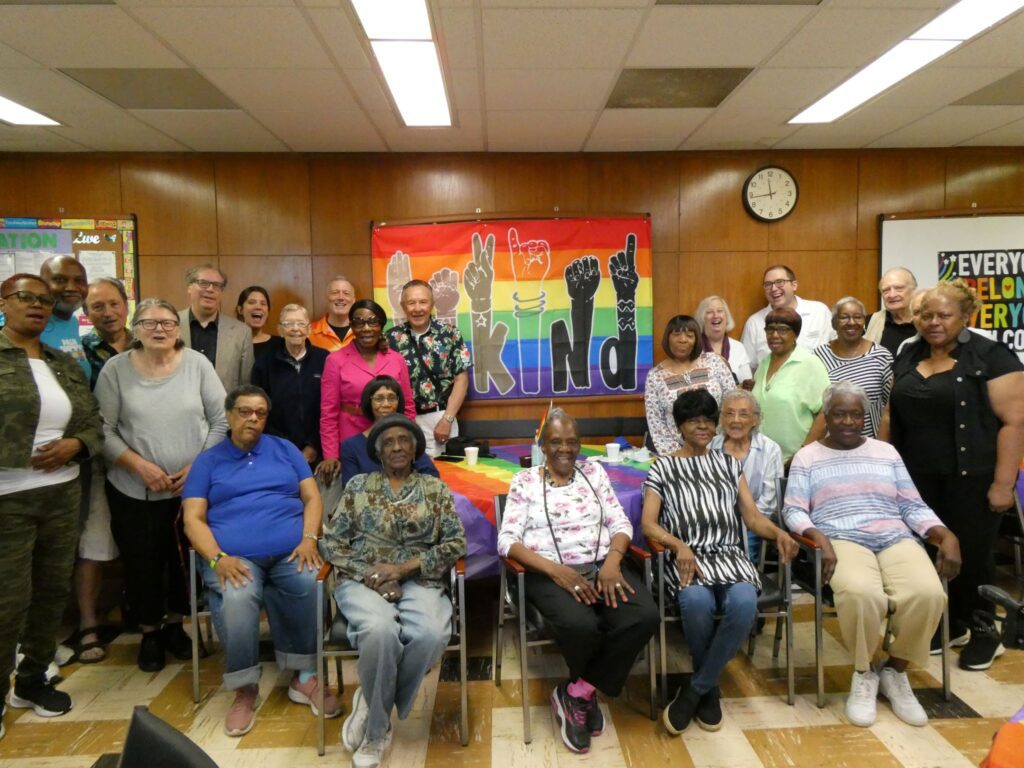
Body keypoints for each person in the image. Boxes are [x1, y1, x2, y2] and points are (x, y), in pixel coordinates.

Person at [784, 382, 960, 728]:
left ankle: (895, 669)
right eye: (840, 414)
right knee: (862, 594)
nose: (848, 421)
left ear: (865, 417)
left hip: (894, 535)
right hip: (840, 539)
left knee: (928, 594)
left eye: (855, 414)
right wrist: (818, 536)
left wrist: (944, 534)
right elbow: (793, 510)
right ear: (827, 417)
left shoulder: (886, 452)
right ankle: (864, 672)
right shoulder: (808, 456)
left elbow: (910, 504)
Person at [497, 408, 659, 754]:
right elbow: (507, 540)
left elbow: (620, 523)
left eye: (572, 442)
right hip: (549, 573)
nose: (565, 449)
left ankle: (577, 693)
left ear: (580, 445)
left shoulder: (594, 472)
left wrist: (613, 562)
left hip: (603, 566)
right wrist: (556, 571)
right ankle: (586, 697)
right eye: (555, 442)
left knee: (644, 616)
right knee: (582, 626)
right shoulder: (524, 481)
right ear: (542, 445)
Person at [183, 385, 341, 737]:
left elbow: (312, 497)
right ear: (228, 415)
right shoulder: (208, 461)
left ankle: (305, 677)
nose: (253, 418)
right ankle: (244, 688)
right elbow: (192, 518)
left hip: (292, 551)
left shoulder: (284, 450)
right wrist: (218, 558)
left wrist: (309, 538)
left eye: (260, 413)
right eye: (244, 411)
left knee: (308, 581)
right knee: (238, 596)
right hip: (233, 558)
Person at [641, 389, 797, 735]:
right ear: (680, 426)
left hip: (729, 554)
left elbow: (752, 517)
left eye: (709, 421)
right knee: (695, 600)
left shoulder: (728, 465)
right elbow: (649, 523)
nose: (703, 427)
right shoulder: (664, 467)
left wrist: (778, 534)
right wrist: (678, 543)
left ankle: (698, 687)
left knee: (743, 603)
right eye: (694, 421)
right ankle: (708, 688)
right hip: (688, 558)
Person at [888, 279, 1024, 671]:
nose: (933, 322)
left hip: (974, 476)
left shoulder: (991, 356)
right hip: (917, 478)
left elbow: (1014, 423)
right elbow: (892, 412)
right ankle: (947, 625)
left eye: (944, 315)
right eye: (925, 315)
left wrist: (1003, 484)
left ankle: (984, 629)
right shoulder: (909, 352)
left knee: (974, 555)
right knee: (930, 551)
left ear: (966, 315)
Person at [322, 414, 466, 768]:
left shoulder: (433, 489)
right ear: (378, 452)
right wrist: (372, 574)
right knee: (380, 631)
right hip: (362, 581)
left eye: (405, 440)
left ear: (416, 448)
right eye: (388, 442)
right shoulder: (358, 487)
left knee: (433, 633)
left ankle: (373, 700)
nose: (398, 446)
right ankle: (376, 733)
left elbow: (456, 543)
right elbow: (334, 543)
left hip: (420, 579)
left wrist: (403, 569)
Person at [95, 298, 228, 672]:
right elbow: (102, 429)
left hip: (191, 487)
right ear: (135, 329)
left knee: (183, 560)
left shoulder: (197, 365)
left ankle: (175, 625)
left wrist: (197, 467)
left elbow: (221, 420)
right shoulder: (115, 369)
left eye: (168, 323)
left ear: (178, 329)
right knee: (142, 562)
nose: (160, 329)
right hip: (134, 487)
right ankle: (149, 632)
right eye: (150, 323)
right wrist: (139, 466)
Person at [0, 273, 102, 730]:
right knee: (8, 599)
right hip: (7, 496)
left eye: (44, 300)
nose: (37, 306)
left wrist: (76, 444)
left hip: (61, 491)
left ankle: (32, 679)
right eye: (26, 297)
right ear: (4, 302)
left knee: (51, 591)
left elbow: (92, 421)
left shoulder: (62, 362)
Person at [69, 277, 134, 664]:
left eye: (114, 304)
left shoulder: (148, 342)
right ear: (86, 313)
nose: (107, 312)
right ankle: (88, 623)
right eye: (98, 307)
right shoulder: (78, 352)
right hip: (98, 459)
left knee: (142, 542)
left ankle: (140, 611)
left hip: (148, 460)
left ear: (127, 306)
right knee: (93, 545)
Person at [318, 299, 416, 484]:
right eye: (359, 322)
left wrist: (409, 443)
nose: (366, 328)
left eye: (372, 321)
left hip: (391, 438)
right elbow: (328, 413)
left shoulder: (396, 359)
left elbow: (408, 407)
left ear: (380, 325)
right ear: (351, 326)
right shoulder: (335, 360)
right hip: (352, 437)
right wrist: (331, 454)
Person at [385, 280, 471, 457]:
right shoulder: (391, 338)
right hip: (404, 419)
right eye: (411, 303)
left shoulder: (450, 333)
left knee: (448, 476)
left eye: (423, 302)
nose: (418, 308)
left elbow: (461, 379)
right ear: (403, 306)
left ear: (432, 304)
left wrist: (447, 419)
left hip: (442, 417)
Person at [710, 389, 784, 561]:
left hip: (753, 527)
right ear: (721, 418)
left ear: (755, 419)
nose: (735, 420)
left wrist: (747, 524)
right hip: (713, 526)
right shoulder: (711, 447)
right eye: (729, 413)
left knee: (736, 564)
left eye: (743, 414)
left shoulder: (770, 449)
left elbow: (769, 500)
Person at [644, 315, 735, 456]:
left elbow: (732, 403)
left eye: (689, 335)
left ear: (696, 340)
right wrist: (679, 457)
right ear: (667, 338)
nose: (683, 339)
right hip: (678, 455)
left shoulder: (714, 362)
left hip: (719, 449)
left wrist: (717, 449)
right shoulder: (655, 376)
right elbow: (656, 423)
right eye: (676, 334)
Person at [251, 304, 328, 468]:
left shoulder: (324, 359)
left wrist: (313, 445)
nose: (295, 329)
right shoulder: (265, 362)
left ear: (308, 329)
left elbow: (330, 407)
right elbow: (259, 408)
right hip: (278, 449)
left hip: (319, 451)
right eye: (288, 324)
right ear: (279, 329)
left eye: (301, 324)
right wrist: (287, 447)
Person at [751, 307, 831, 463]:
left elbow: (826, 411)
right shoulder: (764, 363)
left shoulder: (809, 363)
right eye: (770, 330)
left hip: (798, 461)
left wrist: (804, 453)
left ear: (795, 334)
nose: (774, 335)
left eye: (782, 330)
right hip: (762, 461)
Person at [814, 297, 893, 439]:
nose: (852, 323)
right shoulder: (819, 355)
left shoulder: (881, 356)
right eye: (844, 317)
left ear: (864, 322)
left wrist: (883, 445)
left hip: (870, 443)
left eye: (858, 317)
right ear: (833, 323)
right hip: (829, 443)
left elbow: (890, 406)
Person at [340, 376, 439, 488]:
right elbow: (350, 489)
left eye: (392, 398)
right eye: (379, 399)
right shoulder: (350, 446)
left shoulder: (409, 438)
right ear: (369, 402)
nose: (386, 404)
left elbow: (431, 475)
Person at [740, 264, 833, 372]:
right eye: (768, 284)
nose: (773, 288)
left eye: (780, 282)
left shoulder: (819, 312)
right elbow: (750, 367)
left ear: (794, 285)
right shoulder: (754, 322)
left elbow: (836, 349)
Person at [178, 264, 254, 393]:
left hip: (224, 410)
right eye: (203, 283)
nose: (210, 289)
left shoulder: (241, 332)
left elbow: (246, 384)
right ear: (189, 287)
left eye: (217, 285)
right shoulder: (170, 325)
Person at [39, 254, 91, 380]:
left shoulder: (73, 322)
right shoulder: (32, 325)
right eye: (60, 280)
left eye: (79, 281)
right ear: (41, 285)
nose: (72, 288)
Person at [695, 295, 752, 387]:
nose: (716, 315)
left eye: (720, 311)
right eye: (709, 312)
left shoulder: (738, 347)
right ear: (702, 318)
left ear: (726, 317)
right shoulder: (693, 348)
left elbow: (747, 384)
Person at [865, 268, 918, 357]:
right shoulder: (869, 323)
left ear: (914, 290)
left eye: (899, 288)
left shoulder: (928, 323)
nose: (892, 295)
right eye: (886, 290)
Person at [309, 275, 357, 352]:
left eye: (346, 293)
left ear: (353, 300)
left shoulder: (363, 331)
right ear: (326, 298)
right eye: (335, 293)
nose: (341, 297)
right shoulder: (309, 332)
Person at [236, 285, 275, 365]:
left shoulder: (279, 345)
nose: (258, 307)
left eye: (263, 304)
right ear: (240, 310)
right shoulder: (230, 343)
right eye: (252, 302)